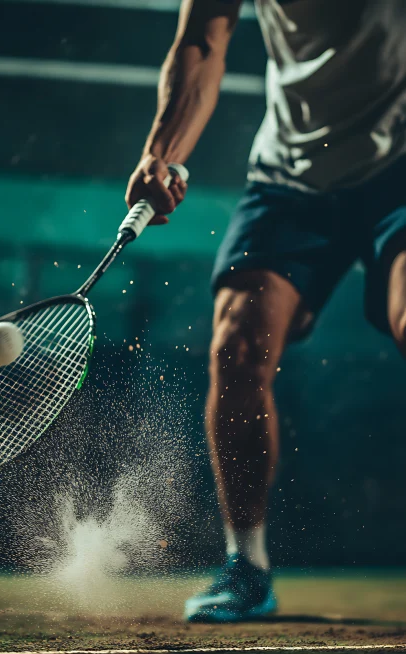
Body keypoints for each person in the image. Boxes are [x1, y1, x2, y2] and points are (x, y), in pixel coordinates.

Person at [126, 0, 406, 622]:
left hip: (399, 165)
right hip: (291, 176)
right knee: (236, 342)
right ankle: (246, 568)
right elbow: (202, 41)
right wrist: (159, 151)